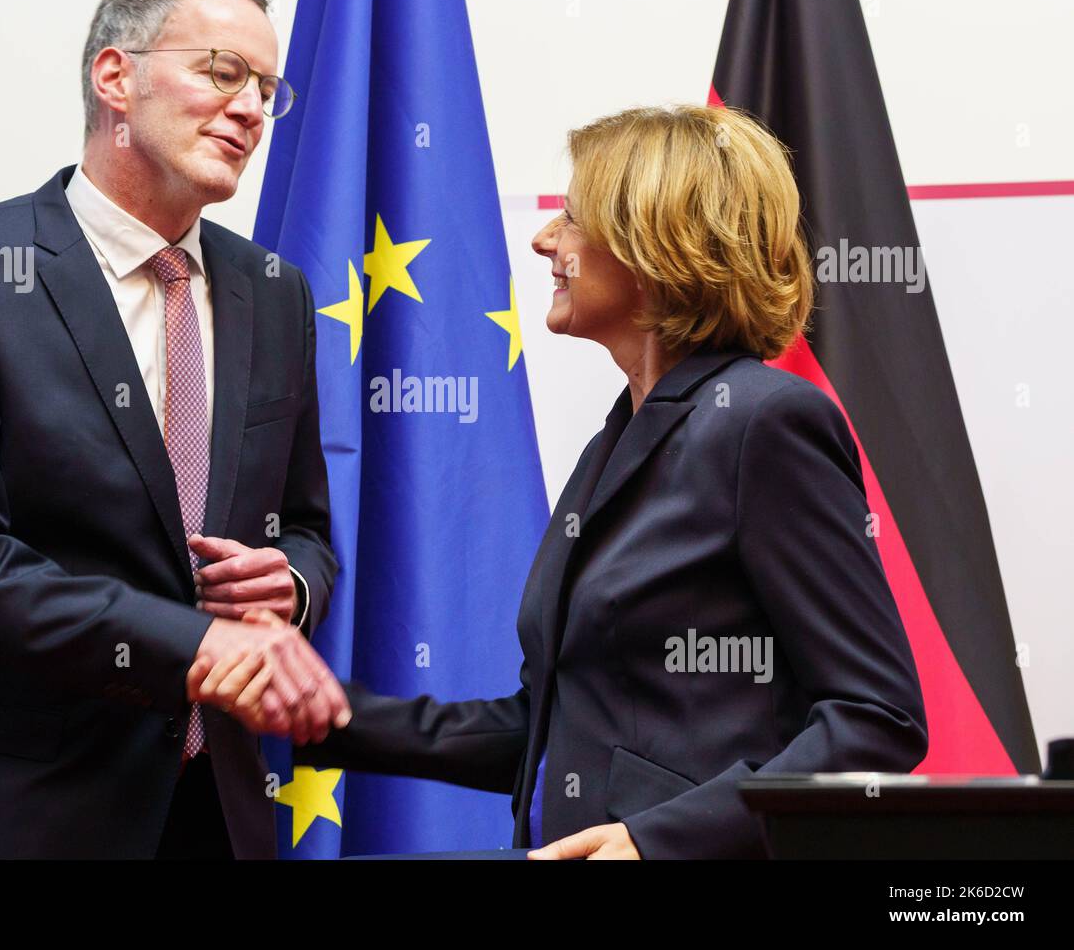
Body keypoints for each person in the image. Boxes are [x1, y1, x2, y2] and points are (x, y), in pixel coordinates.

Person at [225, 104, 929, 858]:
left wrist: (654, 842)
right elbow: (552, 728)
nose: (544, 241)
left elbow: (876, 718)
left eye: (572, 218)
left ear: (659, 244)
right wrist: (326, 715)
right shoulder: (617, 440)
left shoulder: (766, 423)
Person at [0, 0, 350, 861]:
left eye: (267, 91)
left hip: (220, 811)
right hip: (15, 811)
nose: (250, 110)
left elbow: (309, 526)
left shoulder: (277, 292)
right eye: (222, 72)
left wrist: (294, 583)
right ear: (115, 77)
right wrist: (196, 643)